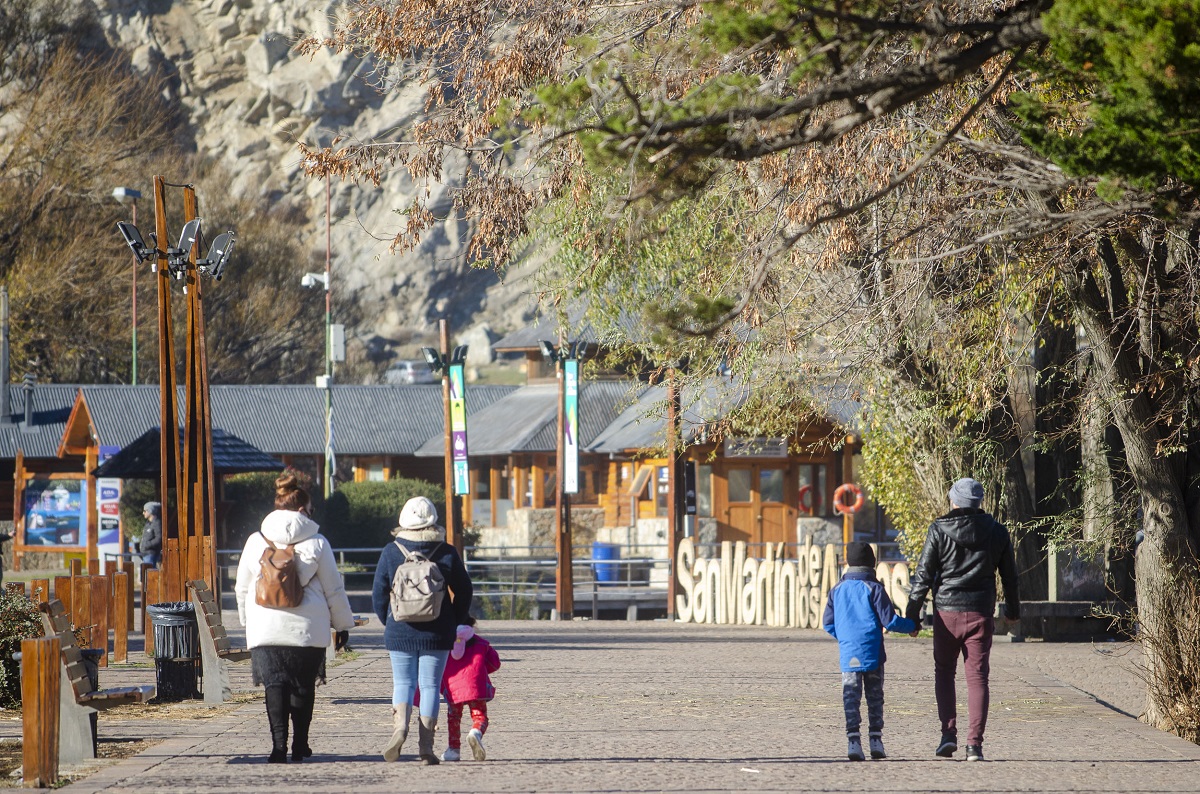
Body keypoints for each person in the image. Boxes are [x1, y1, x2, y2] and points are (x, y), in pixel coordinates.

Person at [234, 473, 355, 764]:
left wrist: (247, 621)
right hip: (307, 629)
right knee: (303, 685)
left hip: (265, 628)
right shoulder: (318, 543)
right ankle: (300, 745)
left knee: (274, 685)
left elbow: (241, 587)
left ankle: (278, 747)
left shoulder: (255, 540)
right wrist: (342, 625)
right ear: (302, 510)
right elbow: (333, 589)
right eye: (311, 510)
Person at [905, 477, 1020, 762]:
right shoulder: (997, 532)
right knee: (978, 677)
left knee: (944, 673)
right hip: (980, 612)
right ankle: (974, 746)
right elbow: (1010, 577)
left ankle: (948, 735)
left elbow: (923, 575)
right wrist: (1013, 611)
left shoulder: (938, 529)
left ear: (954, 501)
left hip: (946, 614)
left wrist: (912, 615)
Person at [373, 496, 473, 765]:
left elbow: (378, 594)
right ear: (433, 520)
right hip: (438, 631)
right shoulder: (446, 551)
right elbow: (464, 590)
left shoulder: (391, 551)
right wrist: (454, 620)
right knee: (429, 686)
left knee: (403, 683)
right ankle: (426, 747)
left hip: (399, 630)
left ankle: (399, 728)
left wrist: (390, 620)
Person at [822, 542, 915, 761]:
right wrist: (912, 626)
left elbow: (827, 623)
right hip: (873, 651)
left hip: (849, 653)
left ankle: (853, 741)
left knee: (850, 697)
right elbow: (890, 621)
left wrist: (845, 637)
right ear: (872, 564)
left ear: (848, 563)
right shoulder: (875, 588)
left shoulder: (837, 590)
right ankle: (876, 740)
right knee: (875, 697)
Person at [440, 616, 500, 762]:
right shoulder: (481, 643)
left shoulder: (444, 641)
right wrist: (482, 670)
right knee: (480, 716)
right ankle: (476, 732)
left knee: (454, 717)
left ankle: (453, 750)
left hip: (453, 688)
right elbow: (495, 663)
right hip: (476, 686)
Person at [139, 502, 162, 567]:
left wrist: (147, 545)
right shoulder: (148, 523)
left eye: (145, 511)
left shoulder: (156, 523)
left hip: (150, 554)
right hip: (145, 554)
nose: (143, 513)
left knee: (151, 574)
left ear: (150, 511)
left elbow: (158, 538)